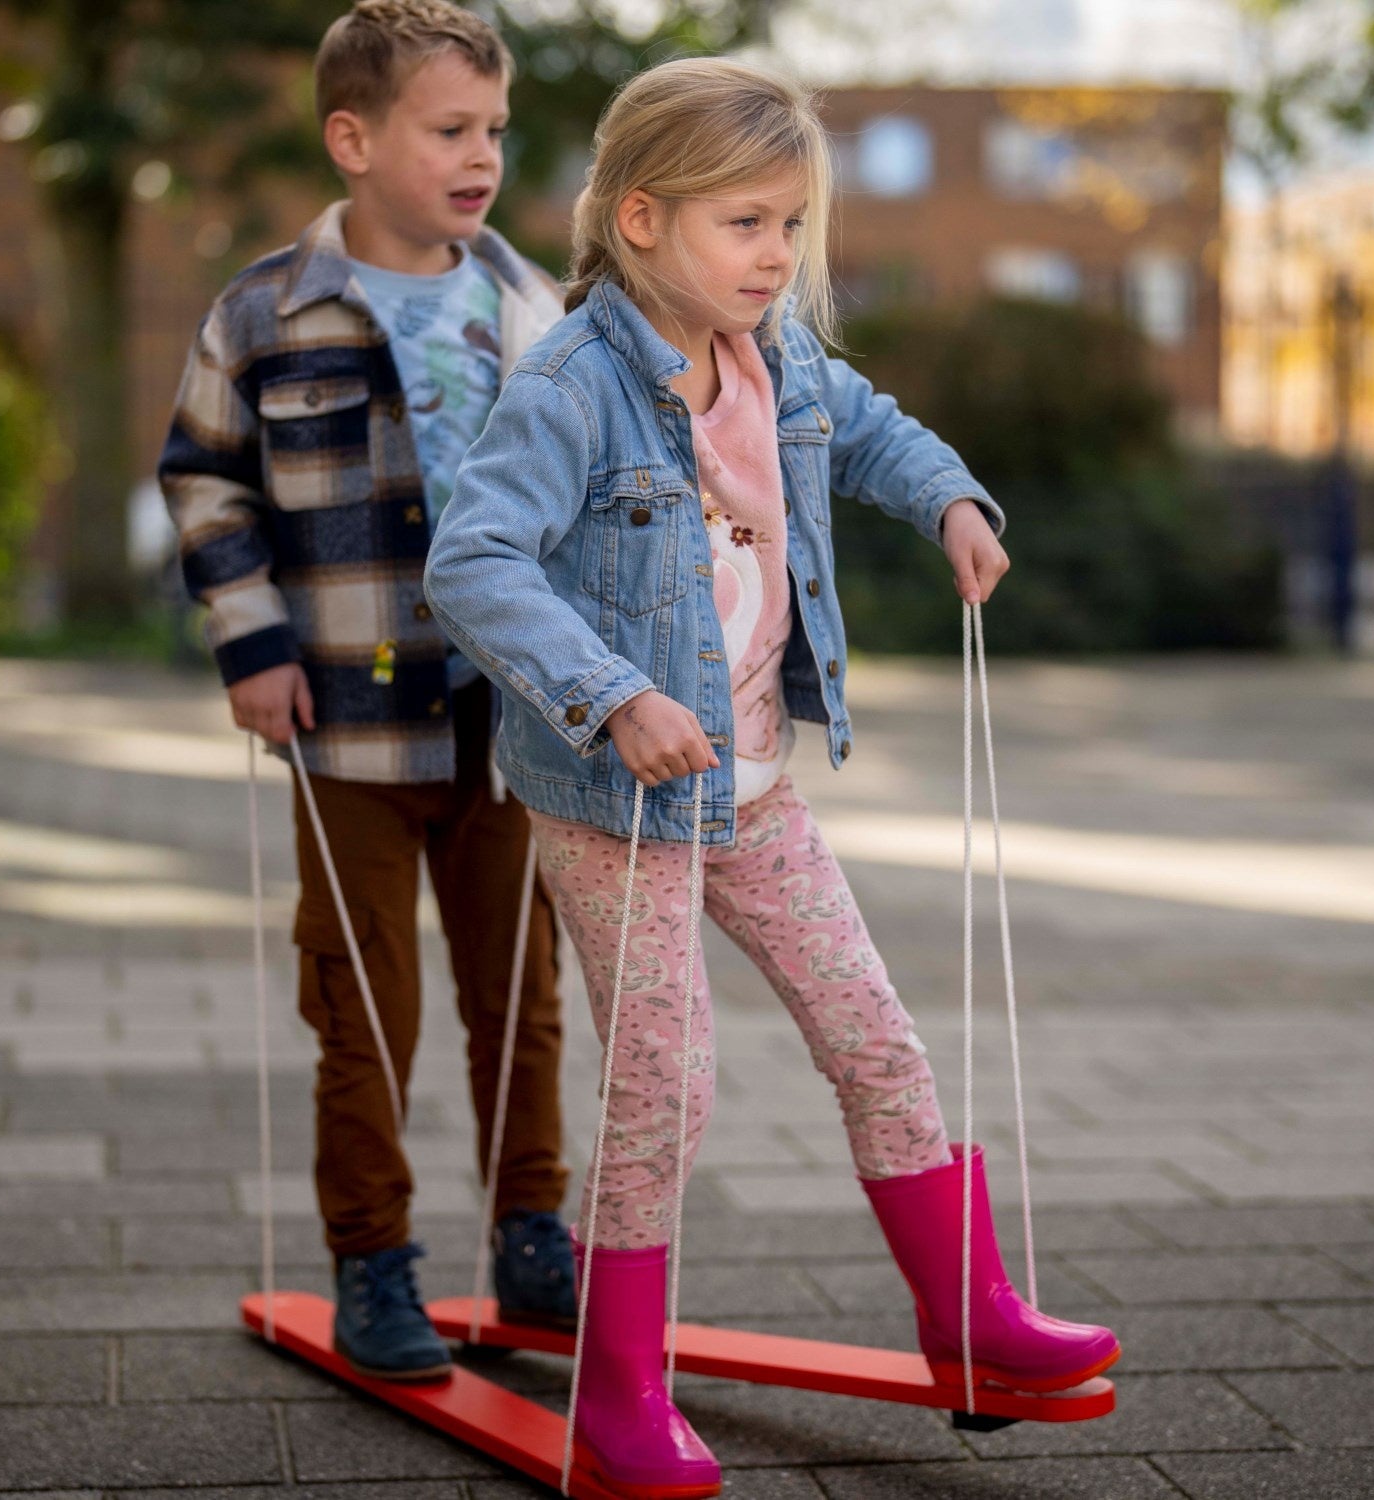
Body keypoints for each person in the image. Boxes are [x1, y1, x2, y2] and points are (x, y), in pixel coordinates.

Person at [425, 57, 1121, 1497]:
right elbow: (473, 563)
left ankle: (969, 1318)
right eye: (746, 224)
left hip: (753, 789)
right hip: (619, 806)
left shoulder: (779, 354)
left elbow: (865, 425)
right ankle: (621, 1386)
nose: (778, 257)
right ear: (637, 222)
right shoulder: (571, 385)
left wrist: (949, 498)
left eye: (793, 225)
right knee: (665, 1090)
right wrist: (610, 696)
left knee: (876, 1036)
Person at [158, 0, 578, 1383]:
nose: (484, 157)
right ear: (353, 137)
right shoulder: (263, 313)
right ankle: (373, 1260)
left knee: (520, 995)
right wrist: (253, 640)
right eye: (451, 130)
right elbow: (205, 479)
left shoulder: (539, 307)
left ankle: (531, 1235)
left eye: (496, 131)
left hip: (514, 723)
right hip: (346, 719)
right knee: (362, 998)